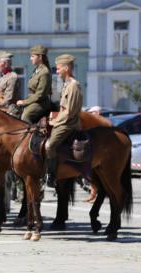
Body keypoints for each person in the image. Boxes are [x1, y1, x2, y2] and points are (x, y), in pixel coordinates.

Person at [46, 54, 83, 188]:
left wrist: (54, 122)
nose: (56, 71)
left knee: (50, 146)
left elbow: (70, 112)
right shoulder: (66, 85)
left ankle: (52, 175)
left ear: (66, 68)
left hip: (69, 124)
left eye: (58, 68)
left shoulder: (73, 85)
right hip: (63, 121)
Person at [17, 45, 52, 124]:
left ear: (40, 57)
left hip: (41, 102)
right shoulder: (36, 70)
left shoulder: (44, 72)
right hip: (33, 100)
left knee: (25, 116)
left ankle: (34, 136)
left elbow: (40, 94)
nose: (30, 58)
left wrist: (24, 102)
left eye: (32, 56)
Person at [0, 51, 21, 117]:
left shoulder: (12, 77)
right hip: (1, 109)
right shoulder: (3, 77)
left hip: (10, 112)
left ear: (5, 64)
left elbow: (8, 101)